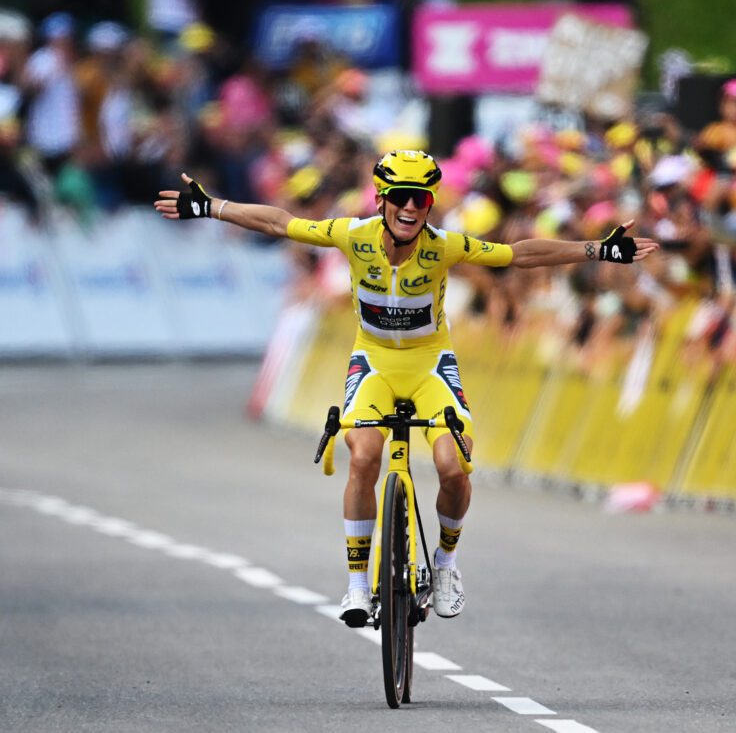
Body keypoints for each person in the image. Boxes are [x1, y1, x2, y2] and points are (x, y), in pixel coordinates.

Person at [154, 149, 659, 625]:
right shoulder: (352, 235)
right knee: (366, 455)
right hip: (372, 362)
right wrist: (211, 206)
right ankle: (356, 585)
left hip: (429, 365)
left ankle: (444, 562)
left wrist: (599, 249)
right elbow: (280, 222)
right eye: (401, 196)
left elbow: (518, 255)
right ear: (381, 200)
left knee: (451, 465)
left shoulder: (444, 246)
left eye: (422, 198)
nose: (411, 207)